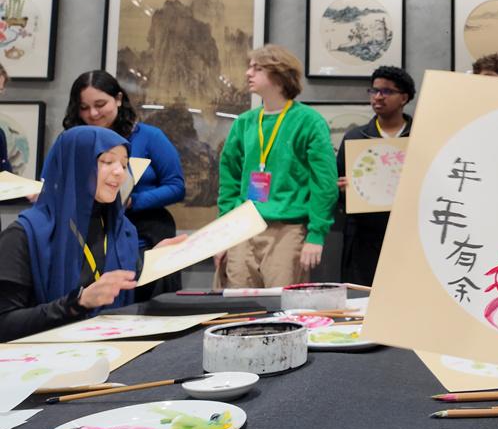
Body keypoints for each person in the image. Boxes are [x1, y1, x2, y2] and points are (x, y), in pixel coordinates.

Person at [0, 127, 186, 342]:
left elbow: (125, 301)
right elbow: (4, 323)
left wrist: (152, 268)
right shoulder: (24, 234)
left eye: (124, 164)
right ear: (75, 166)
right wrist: (77, 303)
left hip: (114, 351)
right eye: (107, 161)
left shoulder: (123, 230)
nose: (120, 172)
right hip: (46, 356)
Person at [216, 45, 338, 288]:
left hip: (287, 229)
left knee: (281, 303)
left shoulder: (309, 122)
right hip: (243, 227)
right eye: (250, 67)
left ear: (280, 76)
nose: (248, 73)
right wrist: (223, 233)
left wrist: (316, 234)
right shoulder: (245, 123)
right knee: (237, 302)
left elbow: (324, 183)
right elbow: (229, 180)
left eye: (257, 68)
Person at [62, 70, 186, 301]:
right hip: (89, 234)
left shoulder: (149, 136)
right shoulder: (73, 141)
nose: (93, 114)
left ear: (118, 99)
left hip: (144, 233)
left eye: (100, 105)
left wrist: (133, 200)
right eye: (84, 108)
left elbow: (176, 186)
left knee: (145, 301)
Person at [337, 66, 415, 286]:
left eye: (387, 91)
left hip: (409, 232)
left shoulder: (419, 136)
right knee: (363, 295)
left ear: (404, 98)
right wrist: (343, 190)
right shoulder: (355, 137)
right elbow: (338, 184)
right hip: (364, 236)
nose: (378, 97)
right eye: (374, 91)